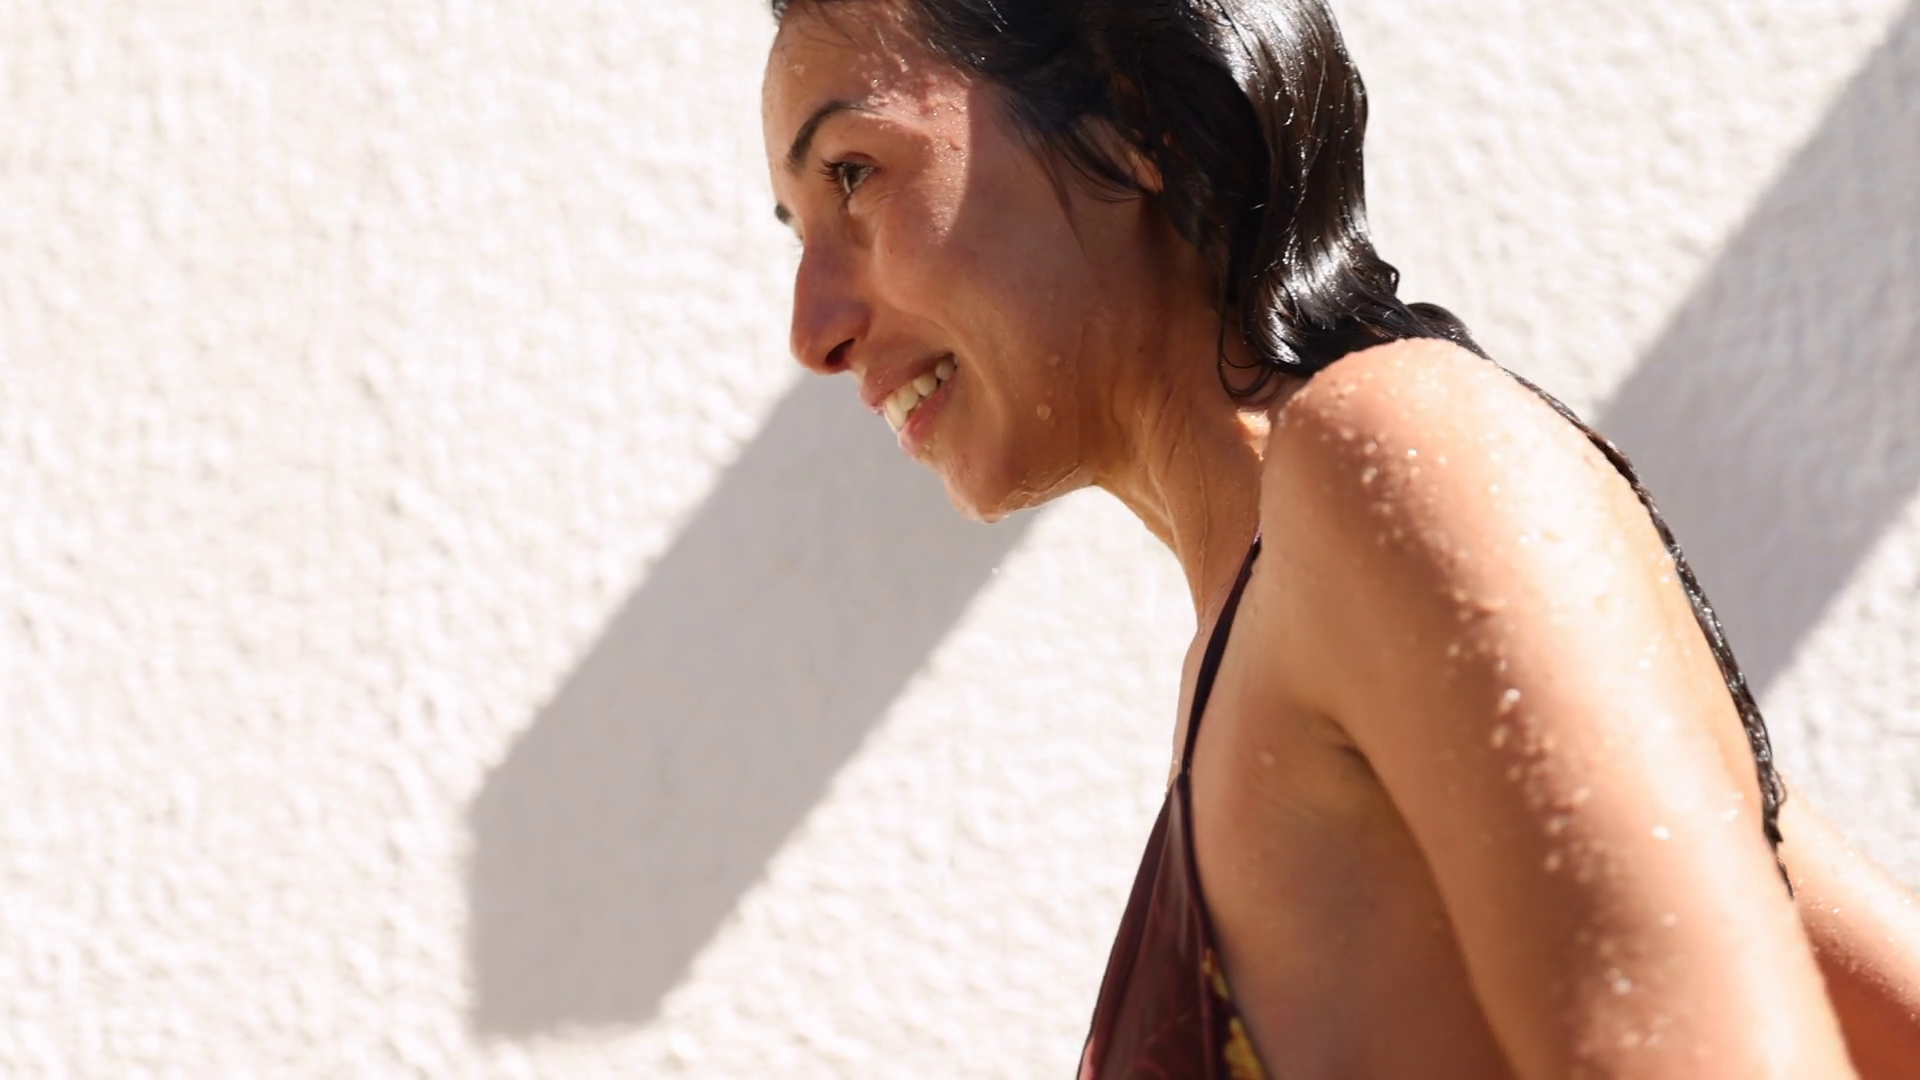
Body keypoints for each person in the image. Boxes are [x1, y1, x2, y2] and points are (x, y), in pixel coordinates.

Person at [758, 0, 1920, 1075]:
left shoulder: (1389, 452)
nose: (814, 331)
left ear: (1126, 118)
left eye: (854, 174)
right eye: (796, 230)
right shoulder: (1286, 617)